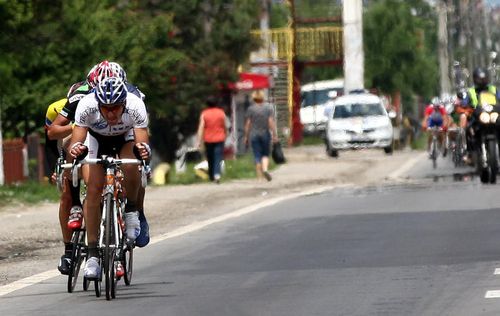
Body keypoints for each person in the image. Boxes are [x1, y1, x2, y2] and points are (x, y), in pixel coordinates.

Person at [69, 76, 150, 278]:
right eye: (106, 108)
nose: (111, 113)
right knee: (94, 189)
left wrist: (144, 151)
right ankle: (93, 253)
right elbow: (77, 140)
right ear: (98, 104)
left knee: (132, 166)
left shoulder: (135, 104)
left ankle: (131, 210)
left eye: (116, 107)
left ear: (124, 103)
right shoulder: (86, 106)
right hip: (96, 139)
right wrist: (75, 149)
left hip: (125, 138)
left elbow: (141, 142)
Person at [243, 89, 278, 181]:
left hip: (254, 135)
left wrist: (246, 136)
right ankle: (265, 169)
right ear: (262, 97)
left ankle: (259, 177)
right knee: (265, 154)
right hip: (265, 133)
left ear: (254, 98)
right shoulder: (268, 108)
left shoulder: (251, 109)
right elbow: (270, 121)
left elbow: (248, 124)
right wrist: (274, 134)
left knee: (257, 155)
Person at [196, 96, 227, 183]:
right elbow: (224, 125)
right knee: (218, 157)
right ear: (216, 103)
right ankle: (217, 174)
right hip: (219, 138)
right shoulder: (221, 113)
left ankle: (211, 175)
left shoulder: (204, 113)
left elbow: (201, 127)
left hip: (208, 139)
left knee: (210, 157)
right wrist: (226, 133)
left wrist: (198, 140)